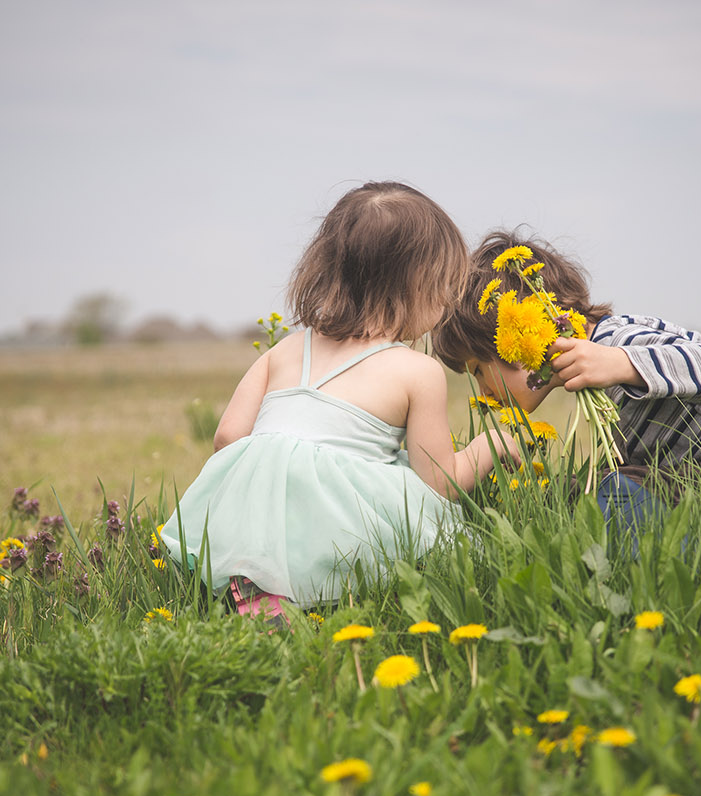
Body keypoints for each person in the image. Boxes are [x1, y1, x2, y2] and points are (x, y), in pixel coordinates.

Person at [160, 182, 520, 620]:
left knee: (295, 496)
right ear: (415, 286)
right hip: (344, 525)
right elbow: (438, 483)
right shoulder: (416, 371)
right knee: (414, 517)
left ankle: (262, 588)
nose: (448, 301)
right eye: (444, 285)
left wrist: (279, 474)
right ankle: (334, 593)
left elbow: (229, 437)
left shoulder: (287, 349)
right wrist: (493, 446)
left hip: (261, 522)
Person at [431, 228, 701, 549]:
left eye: (479, 370)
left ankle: (671, 555)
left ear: (522, 336)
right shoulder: (591, 370)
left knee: (605, 494)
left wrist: (619, 363)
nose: (483, 390)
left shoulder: (618, 339)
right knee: (574, 492)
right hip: (693, 475)